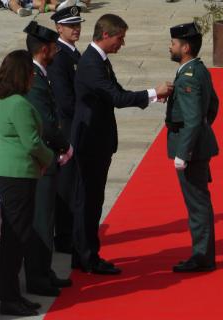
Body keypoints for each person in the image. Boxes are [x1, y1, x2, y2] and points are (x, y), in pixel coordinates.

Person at [70, 13, 173, 275]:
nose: (122, 44)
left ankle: (85, 254)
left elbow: (117, 92)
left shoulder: (99, 60)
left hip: (98, 141)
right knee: (89, 201)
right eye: (120, 38)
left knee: (93, 200)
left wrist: (149, 97)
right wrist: (152, 92)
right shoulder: (92, 63)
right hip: (90, 143)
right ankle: (86, 256)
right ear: (105, 35)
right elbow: (116, 96)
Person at [0, 49, 54, 316]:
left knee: (16, 237)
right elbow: (32, 142)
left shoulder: (4, 100)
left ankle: (13, 294)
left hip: (11, 171)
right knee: (16, 239)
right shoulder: (19, 104)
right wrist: (50, 157)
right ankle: (10, 297)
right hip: (17, 174)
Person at [21, 21, 74, 297]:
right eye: (53, 47)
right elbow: (45, 123)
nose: (56, 52)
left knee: (47, 217)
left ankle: (44, 271)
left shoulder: (39, 75)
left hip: (47, 158)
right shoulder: (35, 79)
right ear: (45, 50)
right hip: (41, 161)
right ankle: (37, 277)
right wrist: (65, 145)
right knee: (41, 221)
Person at [166, 22, 219, 272]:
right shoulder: (197, 70)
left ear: (185, 47)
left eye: (174, 44)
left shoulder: (188, 75)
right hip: (199, 146)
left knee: (197, 204)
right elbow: (213, 106)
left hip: (192, 151)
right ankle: (203, 254)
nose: (170, 46)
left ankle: (201, 257)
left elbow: (193, 118)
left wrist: (183, 152)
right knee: (199, 202)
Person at [47, 5, 85, 254]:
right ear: (58, 28)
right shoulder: (60, 57)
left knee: (74, 183)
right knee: (67, 184)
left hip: (75, 125)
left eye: (78, 24)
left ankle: (70, 233)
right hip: (69, 127)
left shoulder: (72, 53)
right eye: (71, 25)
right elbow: (65, 100)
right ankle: (64, 237)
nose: (76, 29)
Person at [2, 0, 80, 17]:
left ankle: (63, 7)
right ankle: (20, 10)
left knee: (47, 5)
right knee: (13, 3)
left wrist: (42, 5)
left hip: (27, 1)